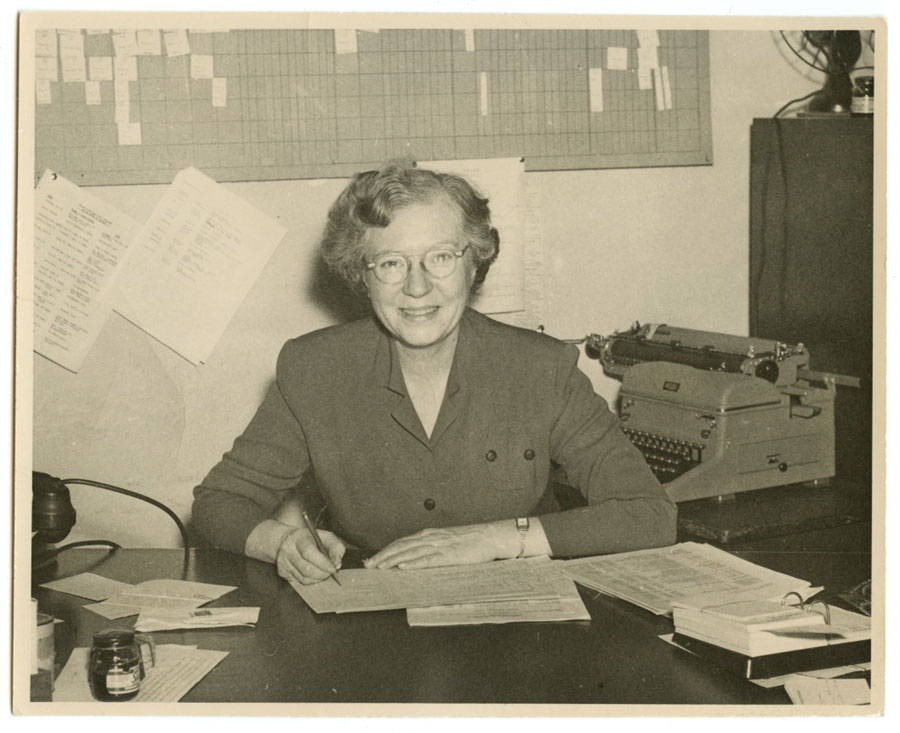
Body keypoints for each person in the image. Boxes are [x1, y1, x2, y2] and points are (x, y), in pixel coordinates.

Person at [192, 160, 676, 585]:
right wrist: (279, 543)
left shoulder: (541, 368)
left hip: (520, 616)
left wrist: (497, 537)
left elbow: (649, 515)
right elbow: (218, 502)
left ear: (475, 262)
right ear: (361, 275)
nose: (417, 287)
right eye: (390, 263)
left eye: (441, 257)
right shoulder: (315, 369)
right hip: (378, 620)